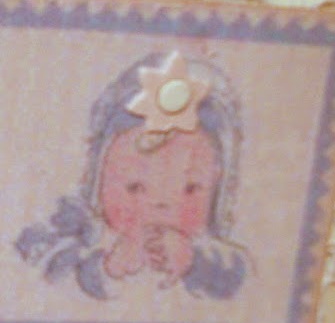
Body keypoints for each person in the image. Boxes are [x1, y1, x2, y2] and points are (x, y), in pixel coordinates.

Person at [15, 49, 247, 300]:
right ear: (98, 179)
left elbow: (240, 279)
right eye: (135, 187)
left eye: (190, 189)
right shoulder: (80, 232)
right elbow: (45, 275)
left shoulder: (217, 259)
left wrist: (193, 261)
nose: (161, 205)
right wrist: (107, 269)